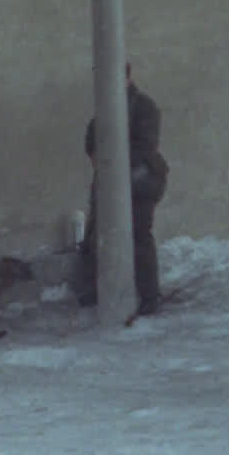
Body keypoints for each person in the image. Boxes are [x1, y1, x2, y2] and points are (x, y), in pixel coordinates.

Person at [77, 64, 170, 316]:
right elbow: (91, 139)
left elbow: (146, 146)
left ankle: (149, 297)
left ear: (127, 78)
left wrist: (112, 158)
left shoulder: (143, 107)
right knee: (97, 233)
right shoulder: (105, 108)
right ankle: (95, 291)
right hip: (111, 181)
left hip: (140, 181)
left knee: (138, 235)